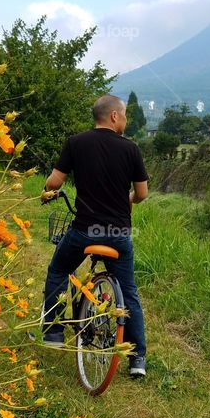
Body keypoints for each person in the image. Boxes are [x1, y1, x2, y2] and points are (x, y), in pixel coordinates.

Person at [40, 94, 150, 378]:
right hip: (118, 234)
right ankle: (137, 359)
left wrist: (47, 191)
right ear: (114, 116)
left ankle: (52, 332)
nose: (125, 120)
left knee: (59, 269)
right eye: (124, 115)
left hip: (83, 231)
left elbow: (55, 181)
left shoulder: (75, 143)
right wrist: (127, 199)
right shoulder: (131, 149)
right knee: (129, 292)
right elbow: (142, 194)